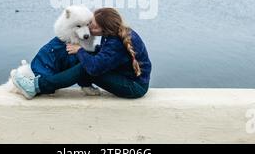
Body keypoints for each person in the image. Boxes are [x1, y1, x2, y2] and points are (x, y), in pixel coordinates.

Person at [11, 7, 152, 99]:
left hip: (134, 87)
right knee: (85, 61)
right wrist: (85, 52)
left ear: (105, 29)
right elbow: (107, 57)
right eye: (91, 23)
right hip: (127, 78)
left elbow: (95, 68)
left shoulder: (116, 42)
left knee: (85, 68)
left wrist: (79, 50)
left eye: (94, 26)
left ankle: (35, 86)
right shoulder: (114, 34)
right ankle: (79, 86)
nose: (90, 28)